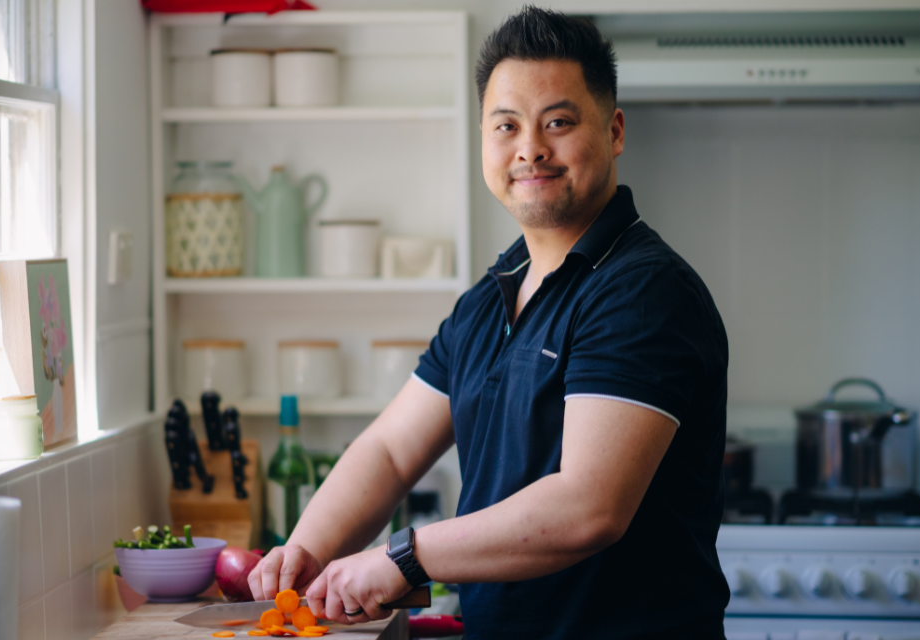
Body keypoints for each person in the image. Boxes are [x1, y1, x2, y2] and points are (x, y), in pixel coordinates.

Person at [249, 7, 730, 638]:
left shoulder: (641, 291)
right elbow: (391, 451)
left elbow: (590, 507)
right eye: (507, 125)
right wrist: (305, 548)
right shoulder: (491, 296)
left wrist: (403, 557)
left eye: (558, 122)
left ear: (614, 131)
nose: (530, 147)